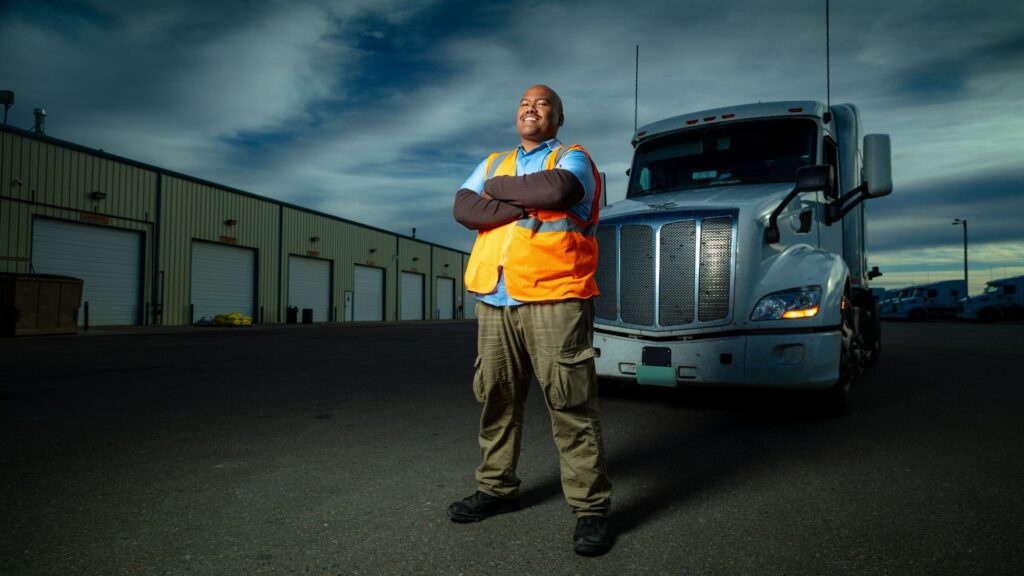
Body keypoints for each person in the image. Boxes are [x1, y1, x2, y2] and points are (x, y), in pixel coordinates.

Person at [448, 84, 612, 556]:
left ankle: (591, 510)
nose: (530, 108)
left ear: (557, 118)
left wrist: (495, 195)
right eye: (523, 103)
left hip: (556, 297)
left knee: (570, 404)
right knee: (496, 397)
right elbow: (463, 207)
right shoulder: (494, 160)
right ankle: (497, 490)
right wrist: (521, 196)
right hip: (495, 299)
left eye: (541, 104)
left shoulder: (574, 158)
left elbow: (559, 189)